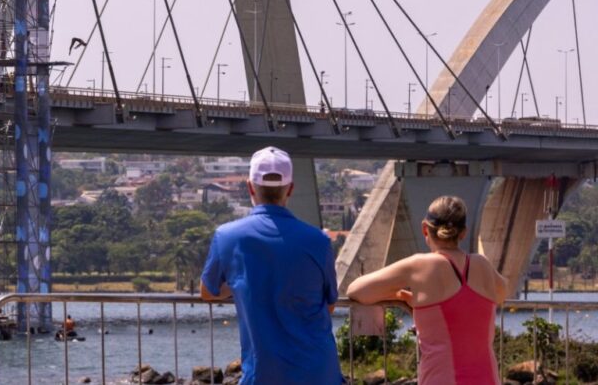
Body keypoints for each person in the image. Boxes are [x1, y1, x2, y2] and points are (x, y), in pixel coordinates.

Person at [199, 146, 340, 385]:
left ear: (250, 187)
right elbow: (330, 304)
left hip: (264, 373)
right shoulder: (319, 240)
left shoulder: (227, 236)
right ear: (291, 189)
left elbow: (207, 291)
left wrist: (242, 283)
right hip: (319, 372)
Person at [347, 195, 506, 383]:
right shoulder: (482, 264)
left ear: (425, 228)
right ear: (463, 233)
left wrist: (398, 296)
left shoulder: (419, 265)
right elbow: (502, 293)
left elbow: (356, 290)